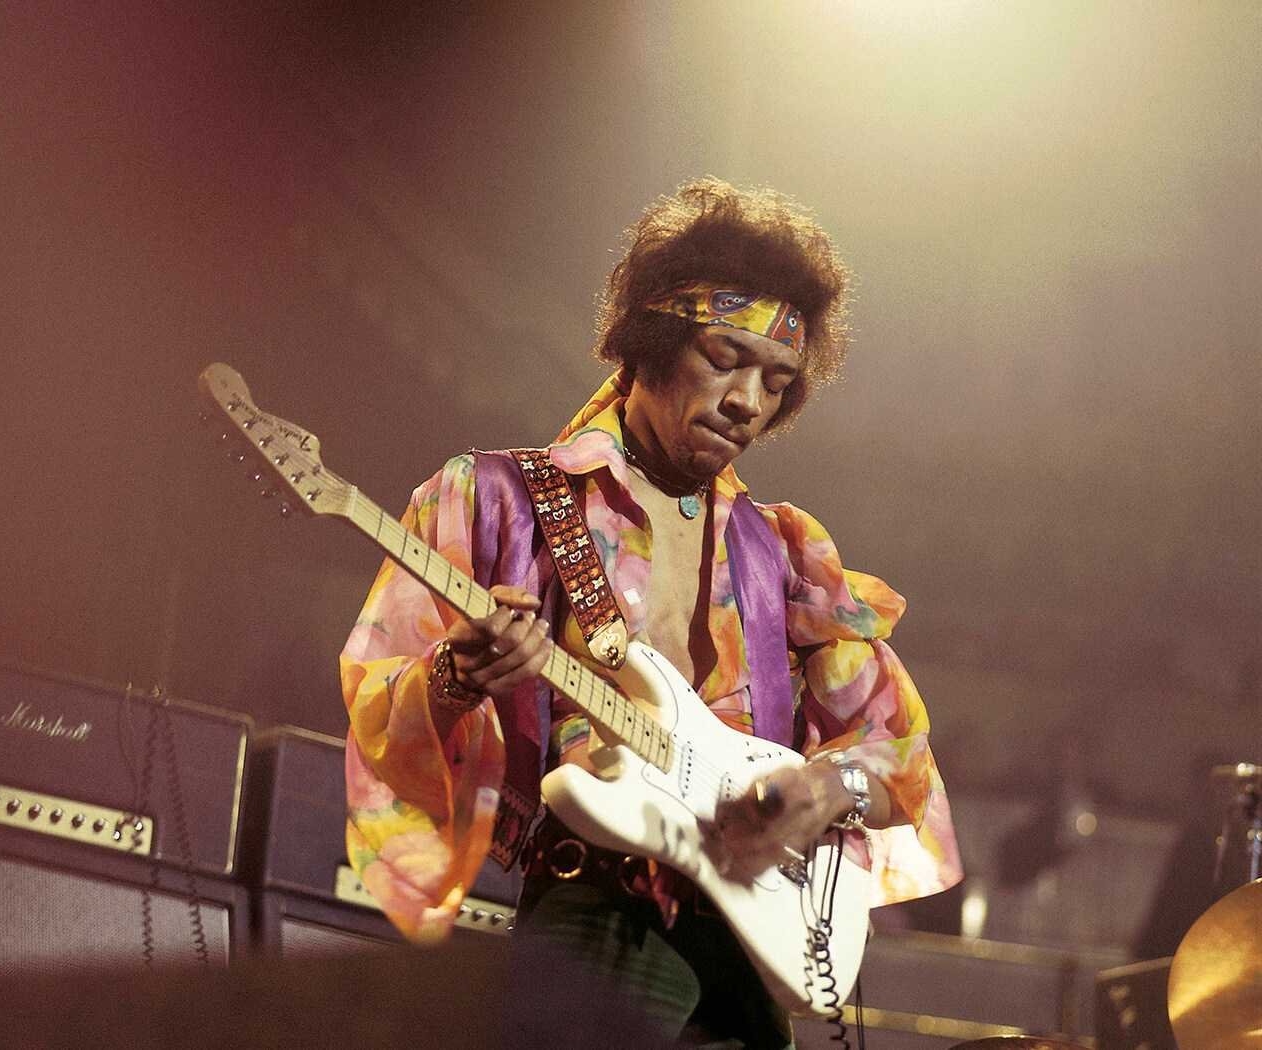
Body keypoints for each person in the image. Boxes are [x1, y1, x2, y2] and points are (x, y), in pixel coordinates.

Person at [340, 178, 961, 1047]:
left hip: (752, 942)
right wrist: (454, 676)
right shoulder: (499, 500)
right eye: (723, 358)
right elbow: (376, 702)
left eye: (777, 381)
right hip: (598, 912)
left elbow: (900, 756)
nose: (749, 400)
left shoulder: (784, 554)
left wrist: (823, 787)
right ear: (651, 339)